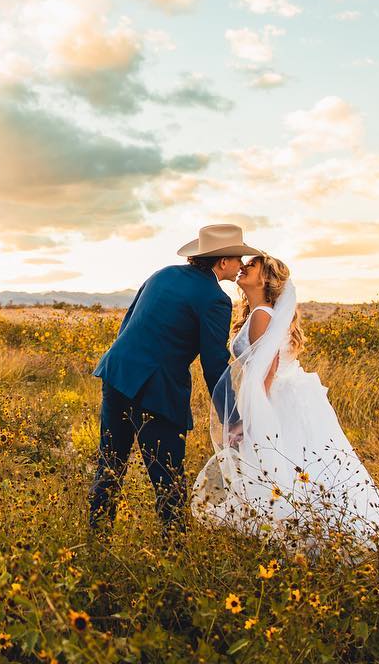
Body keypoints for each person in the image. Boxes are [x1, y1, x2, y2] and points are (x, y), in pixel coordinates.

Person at [192, 254, 379, 574]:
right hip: (287, 396)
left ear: (266, 278)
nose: (243, 267)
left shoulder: (261, 315)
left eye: (252, 265)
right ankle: (311, 529)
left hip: (273, 400)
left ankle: (295, 532)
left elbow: (264, 375)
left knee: (282, 466)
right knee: (304, 468)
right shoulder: (260, 313)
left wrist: (256, 419)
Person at [88, 224, 259, 536]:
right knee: (168, 478)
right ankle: (175, 548)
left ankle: (96, 538)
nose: (240, 267)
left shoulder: (162, 274)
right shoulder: (215, 298)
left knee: (110, 463)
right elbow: (214, 364)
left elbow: (128, 323)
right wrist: (231, 419)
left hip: (117, 374)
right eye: (238, 260)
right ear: (222, 262)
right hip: (156, 390)